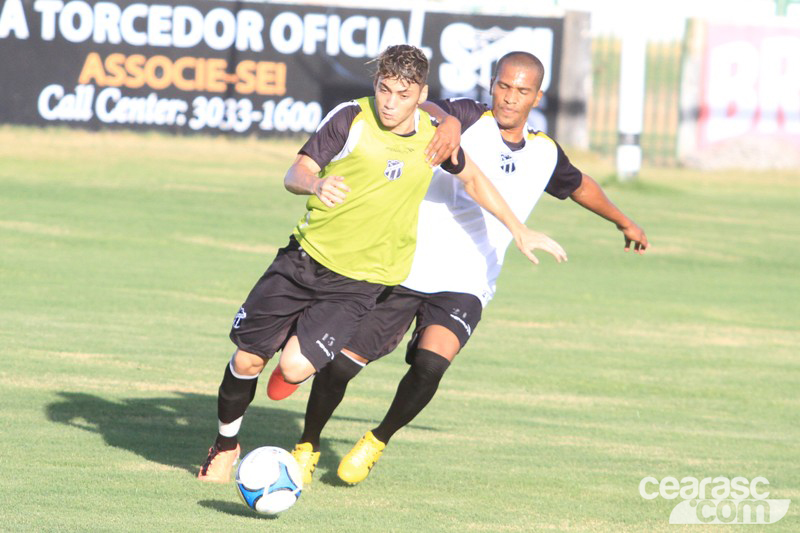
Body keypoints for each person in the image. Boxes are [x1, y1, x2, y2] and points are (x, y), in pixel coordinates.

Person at [197, 45, 567, 482]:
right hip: (303, 259)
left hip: (358, 283)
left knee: (296, 368)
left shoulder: (434, 136)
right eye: (384, 89)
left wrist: (518, 229)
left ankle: (299, 350)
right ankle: (225, 446)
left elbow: (472, 179)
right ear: (376, 85)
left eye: (403, 94)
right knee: (246, 362)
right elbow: (294, 172)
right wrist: (314, 184)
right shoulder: (351, 118)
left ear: (421, 95)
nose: (390, 102)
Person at [283, 51, 649, 486]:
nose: (510, 98)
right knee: (343, 366)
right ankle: (308, 442)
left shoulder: (544, 152)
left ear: (538, 95)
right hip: (405, 267)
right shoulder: (469, 117)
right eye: (503, 86)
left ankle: (377, 439)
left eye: (522, 90)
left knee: (430, 365)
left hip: (467, 283)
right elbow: (430, 108)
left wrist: (624, 221)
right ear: (493, 84)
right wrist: (450, 124)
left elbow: (580, 186)